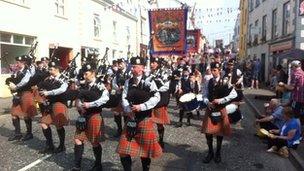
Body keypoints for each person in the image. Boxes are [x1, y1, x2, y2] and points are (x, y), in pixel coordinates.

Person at [117, 56, 163, 171]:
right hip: (131, 119)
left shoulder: (149, 81)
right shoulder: (128, 81)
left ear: (142, 68)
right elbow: (124, 97)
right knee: (122, 150)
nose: (131, 69)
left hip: (144, 119)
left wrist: (141, 107)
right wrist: (128, 109)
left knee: (145, 152)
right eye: (131, 66)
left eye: (134, 67)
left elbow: (157, 97)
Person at [72, 63, 110, 171]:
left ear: (93, 73)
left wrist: (90, 104)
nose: (84, 76)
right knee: (78, 139)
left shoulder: (99, 85)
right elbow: (78, 98)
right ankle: (77, 166)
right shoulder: (83, 85)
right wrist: (79, 105)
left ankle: (98, 164)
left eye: (86, 73)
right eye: (83, 73)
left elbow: (105, 98)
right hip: (83, 115)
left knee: (94, 142)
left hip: (94, 115)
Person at [201, 62, 237, 163]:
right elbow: (204, 94)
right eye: (212, 70)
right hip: (210, 109)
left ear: (219, 70)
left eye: (215, 70)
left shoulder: (225, 81)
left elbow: (234, 94)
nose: (213, 72)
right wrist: (207, 102)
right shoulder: (208, 81)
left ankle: (218, 153)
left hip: (220, 109)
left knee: (220, 133)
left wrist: (221, 100)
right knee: (208, 133)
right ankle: (210, 152)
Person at [38, 59, 69, 154]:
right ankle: (50, 145)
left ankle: (61, 145)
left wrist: (49, 92)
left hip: (59, 103)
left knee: (58, 125)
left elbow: (62, 90)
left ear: (56, 69)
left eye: (51, 69)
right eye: (49, 69)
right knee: (44, 123)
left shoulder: (64, 78)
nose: (49, 71)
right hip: (50, 103)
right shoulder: (49, 78)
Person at [7, 55, 38, 141]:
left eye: (18, 63)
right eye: (16, 62)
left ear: (23, 63)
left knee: (26, 115)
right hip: (18, 95)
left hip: (26, 93)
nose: (16, 64)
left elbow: (26, 81)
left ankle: (29, 133)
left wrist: (15, 87)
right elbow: (13, 80)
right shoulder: (17, 71)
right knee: (14, 113)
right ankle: (17, 134)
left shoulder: (28, 71)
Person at [149, 57, 171, 150]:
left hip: (160, 100)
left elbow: (167, 86)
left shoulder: (164, 72)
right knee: (149, 121)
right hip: (151, 100)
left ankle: (161, 140)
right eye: (151, 62)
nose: (151, 64)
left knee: (159, 122)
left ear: (158, 64)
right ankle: (150, 141)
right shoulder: (150, 73)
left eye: (153, 63)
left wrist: (156, 90)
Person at [280, 60, 304, 124]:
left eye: (291, 67)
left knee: (295, 115)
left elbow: (291, 87)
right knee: (300, 115)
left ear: (294, 66)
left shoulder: (295, 74)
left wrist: (283, 84)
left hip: (297, 98)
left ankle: (295, 130)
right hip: (302, 98)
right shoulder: (302, 72)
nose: (291, 68)